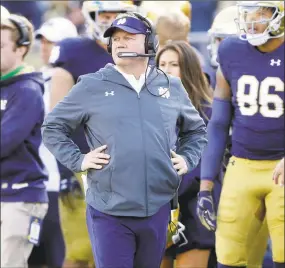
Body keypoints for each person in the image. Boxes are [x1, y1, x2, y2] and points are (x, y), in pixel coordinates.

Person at [42, 12, 207, 268]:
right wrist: (79, 159)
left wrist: (187, 158)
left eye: (128, 37)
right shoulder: (91, 85)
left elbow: (196, 130)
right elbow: (52, 127)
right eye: (116, 38)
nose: (120, 42)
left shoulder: (170, 86)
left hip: (158, 207)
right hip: (109, 209)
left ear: (149, 43)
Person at [48, 2, 136, 267]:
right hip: (83, 163)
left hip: (128, 165)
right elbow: (56, 120)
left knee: (118, 249)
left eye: (114, 15)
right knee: (80, 251)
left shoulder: (139, 53)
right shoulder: (73, 51)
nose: (109, 20)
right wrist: (68, 165)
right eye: (104, 15)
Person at [197, 1, 284, 268]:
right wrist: (205, 186)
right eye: (247, 12)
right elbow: (219, 122)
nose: (251, 20)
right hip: (242, 165)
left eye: (261, 13)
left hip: (281, 165)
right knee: (229, 257)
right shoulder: (231, 50)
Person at [156, 41, 218, 268]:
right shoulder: (146, 108)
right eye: (162, 64)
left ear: (189, 68)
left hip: (195, 204)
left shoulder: (208, 110)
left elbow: (201, 165)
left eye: (174, 64)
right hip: (158, 204)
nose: (167, 69)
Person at [28, 17, 78, 268]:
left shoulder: (80, 82)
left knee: (64, 257)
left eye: (53, 42)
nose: (46, 48)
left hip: (63, 186)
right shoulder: (31, 81)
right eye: (43, 42)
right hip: (34, 184)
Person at [0, 10, 48, 268]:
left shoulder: (27, 91)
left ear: (21, 49)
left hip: (21, 196)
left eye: (0, 45)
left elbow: (4, 141)